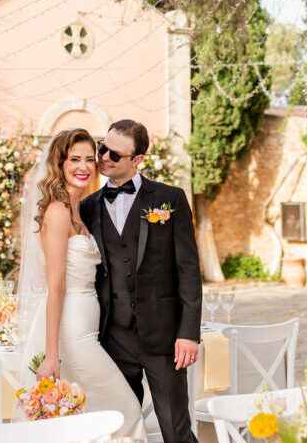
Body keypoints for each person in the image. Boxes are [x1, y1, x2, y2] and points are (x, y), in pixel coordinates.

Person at [19, 128, 146, 440]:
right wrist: (52, 354)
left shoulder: (81, 208)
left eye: (90, 159)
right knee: (124, 411)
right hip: (71, 333)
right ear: (60, 163)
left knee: (89, 417)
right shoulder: (58, 211)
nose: (84, 166)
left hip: (89, 328)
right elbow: (56, 286)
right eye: (74, 159)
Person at [80, 119, 202, 443]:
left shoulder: (170, 199)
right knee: (120, 430)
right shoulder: (87, 208)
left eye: (115, 154)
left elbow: (188, 270)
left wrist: (189, 333)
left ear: (137, 160)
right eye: (102, 148)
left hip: (165, 338)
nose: (103, 157)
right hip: (112, 338)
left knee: (176, 430)